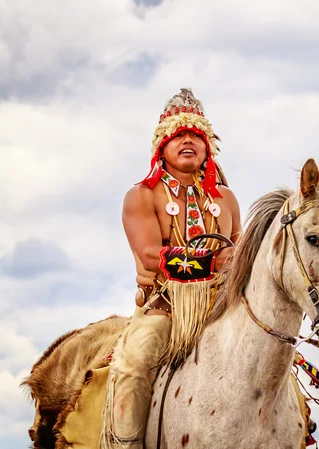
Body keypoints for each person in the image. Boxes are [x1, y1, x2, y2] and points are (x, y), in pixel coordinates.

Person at [101, 88, 241, 449]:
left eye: (196, 135)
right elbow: (150, 255)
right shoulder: (142, 195)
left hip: (221, 309)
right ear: (161, 147)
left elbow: (240, 253)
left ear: (208, 146)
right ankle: (125, 444)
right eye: (178, 135)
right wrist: (214, 261)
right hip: (164, 309)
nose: (188, 140)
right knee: (133, 365)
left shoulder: (225, 198)